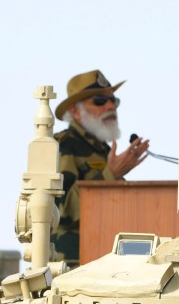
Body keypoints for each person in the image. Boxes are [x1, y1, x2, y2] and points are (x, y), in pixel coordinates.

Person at [53, 70, 150, 263]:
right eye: (100, 101)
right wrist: (111, 174)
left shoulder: (101, 149)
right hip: (72, 266)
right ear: (74, 110)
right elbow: (59, 212)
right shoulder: (63, 145)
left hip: (102, 260)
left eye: (114, 101)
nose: (111, 106)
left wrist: (115, 176)